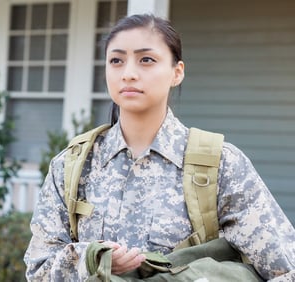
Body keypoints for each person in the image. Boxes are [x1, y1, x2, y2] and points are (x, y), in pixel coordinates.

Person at [24, 14, 295, 281]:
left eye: (146, 60)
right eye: (116, 60)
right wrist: (92, 259)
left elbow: (287, 270)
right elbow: (39, 271)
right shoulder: (72, 166)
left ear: (177, 73)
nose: (128, 74)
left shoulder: (220, 164)